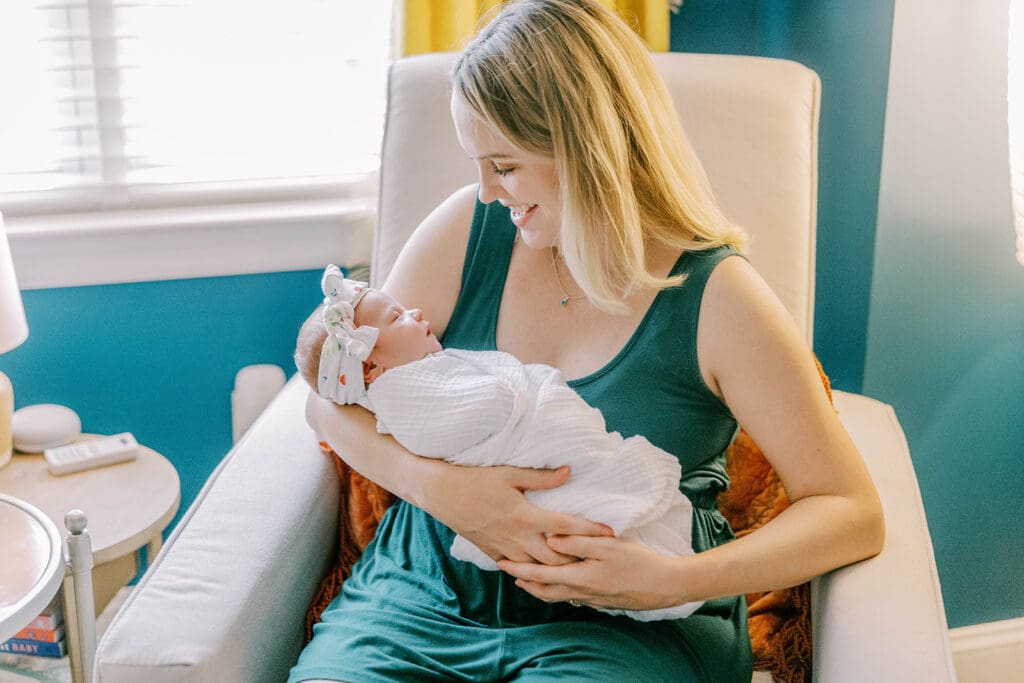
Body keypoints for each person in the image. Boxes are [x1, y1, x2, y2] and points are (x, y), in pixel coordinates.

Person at [290, 1, 884, 681]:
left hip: (623, 622)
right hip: (425, 589)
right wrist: (447, 491)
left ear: (588, 147)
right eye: (478, 163)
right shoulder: (468, 232)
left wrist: (673, 579)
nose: (484, 190)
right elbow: (326, 401)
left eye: (504, 165)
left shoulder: (718, 298)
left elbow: (850, 508)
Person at [294, 264, 705, 621]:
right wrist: (440, 487)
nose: (415, 311)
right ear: (369, 368)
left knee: (612, 521)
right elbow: (482, 409)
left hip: (569, 587)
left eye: (506, 168)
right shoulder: (401, 394)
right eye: (399, 316)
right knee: (592, 514)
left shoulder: (414, 369)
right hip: (438, 576)